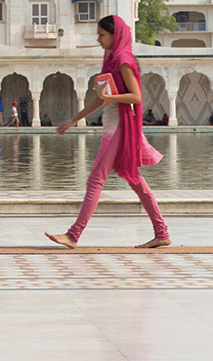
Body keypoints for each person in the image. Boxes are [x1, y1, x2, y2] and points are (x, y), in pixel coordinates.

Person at [45, 15, 170, 250]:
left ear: (116, 35)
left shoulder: (123, 60)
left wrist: (109, 97)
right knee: (136, 181)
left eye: (102, 34)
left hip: (119, 128)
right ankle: (162, 233)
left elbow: (136, 96)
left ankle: (73, 235)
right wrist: (73, 120)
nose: (98, 39)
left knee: (95, 180)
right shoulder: (111, 60)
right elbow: (99, 99)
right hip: (113, 125)